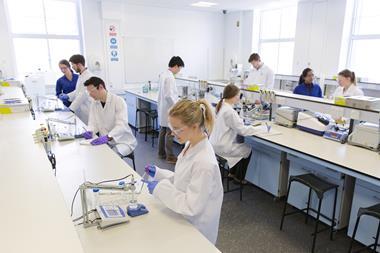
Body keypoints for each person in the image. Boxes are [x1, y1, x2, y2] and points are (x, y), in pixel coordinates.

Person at [144, 99, 223, 245]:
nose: (172, 133)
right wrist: (159, 173)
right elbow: (183, 180)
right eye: (171, 127)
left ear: (194, 126)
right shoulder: (190, 144)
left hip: (197, 229)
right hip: (182, 218)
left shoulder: (204, 163)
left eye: (177, 128)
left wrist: (160, 188)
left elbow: (191, 206)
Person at [210, 84, 258, 184]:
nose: (239, 98)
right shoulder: (229, 111)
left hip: (214, 144)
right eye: (238, 96)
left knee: (239, 145)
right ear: (234, 96)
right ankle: (239, 178)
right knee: (247, 150)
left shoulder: (221, 106)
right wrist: (258, 129)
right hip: (222, 147)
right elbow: (243, 130)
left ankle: (232, 173)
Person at [82, 76, 137, 156]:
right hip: (105, 140)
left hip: (123, 141)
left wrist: (108, 137)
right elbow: (92, 122)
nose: (90, 95)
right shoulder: (94, 103)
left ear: (100, 87)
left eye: (92, 91)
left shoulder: (118, 101)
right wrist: (90, 131)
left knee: (112, 156)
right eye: (88, 92)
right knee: (94, 154)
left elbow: (121, 125)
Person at [157, 56, 185, 164]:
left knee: (163, 131)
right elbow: (169, 96)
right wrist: (176, 106)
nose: (179, 71)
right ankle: (170, 156)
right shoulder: (169, 77)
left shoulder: (164, 74)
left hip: (163, 107)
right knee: (169, 132)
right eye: (180, 68)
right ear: (176, 66)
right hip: (168, 108)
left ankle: (161, 153)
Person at [67, 54, 93, 125]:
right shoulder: (81, 75)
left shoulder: (88, 76)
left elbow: (83, 94)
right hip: (81, 110)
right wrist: (68, 96)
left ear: (78, 64)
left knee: (90, 133)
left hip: (87, 110)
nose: (72, 67)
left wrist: (71, 108)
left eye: (73, 65)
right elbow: (78, 90)